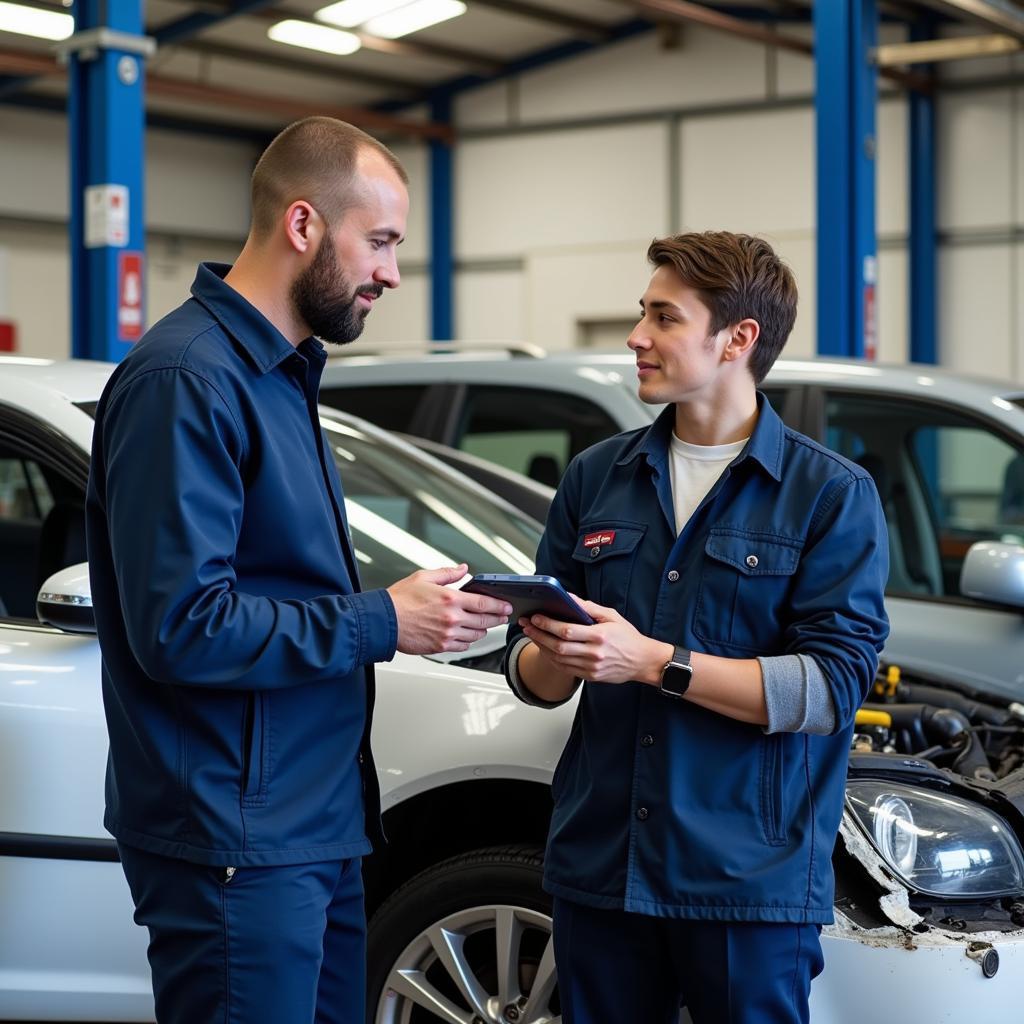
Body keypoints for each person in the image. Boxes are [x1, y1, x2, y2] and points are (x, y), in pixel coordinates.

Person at [85, 117, 511, 1024]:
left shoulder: (281, 375)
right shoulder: (187, 381)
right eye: (384, 242)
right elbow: (182, 625)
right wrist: (381, 620)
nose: (392, 273)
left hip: (313, 827)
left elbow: (280, 587)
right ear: (306, 226)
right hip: (236, 839)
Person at [504, 232, 889, 1024]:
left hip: (745, 883)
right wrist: (556, 653)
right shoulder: (595, 478)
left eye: (663, 318)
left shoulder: (829, 495)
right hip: (602, 865)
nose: (635, 336)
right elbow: (532, 679)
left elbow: (828, 690)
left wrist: (649, 661)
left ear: (737, 339)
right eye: (641, 314)